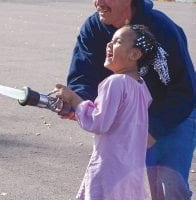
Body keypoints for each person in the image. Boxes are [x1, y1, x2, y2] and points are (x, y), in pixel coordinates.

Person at [65, 0, 196, 199]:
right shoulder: (93, 28)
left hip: (172, 114)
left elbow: (185, 90)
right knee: (120, 186)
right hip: (126, 121)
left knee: (169, 188)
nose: (97, 3)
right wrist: (75, 102)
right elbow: (82, 77)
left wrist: (154, 129)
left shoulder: (163, 28)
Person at [55, 24, 170, 199]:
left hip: (109, 169)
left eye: (117, 42)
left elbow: (99, 122)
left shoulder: (115, 82)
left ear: (134, 54)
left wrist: (74, 100)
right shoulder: (141, 87)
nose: (109, 44)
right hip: (131, 172)